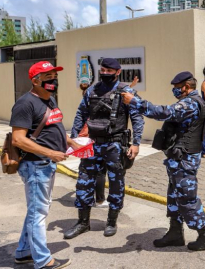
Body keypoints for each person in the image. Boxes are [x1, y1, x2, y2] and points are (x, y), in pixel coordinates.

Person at [121, 71, 205, 251]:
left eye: (176, 88)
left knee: (187, 198)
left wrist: (135, 102)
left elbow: (164, 112)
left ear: (186, 87)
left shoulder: (191, 103)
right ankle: (175, 232)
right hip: (178, 158)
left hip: (185, 159)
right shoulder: (191, 101)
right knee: (174, 195)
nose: (174, 91)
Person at [64, 58, 144, 239]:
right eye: (103, 70)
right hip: (92, 144)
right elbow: (81, 113)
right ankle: (83, 223)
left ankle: (111, 221)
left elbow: (137, 117)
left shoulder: (126, 91)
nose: (106, 73)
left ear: (118, 71)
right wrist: (75, 138)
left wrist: (136, 143)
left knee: (116, 183)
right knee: (84, 181)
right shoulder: (92, 90)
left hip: (115, 144)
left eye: (110, 70)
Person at [10, 61, 79, 269]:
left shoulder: (50, 100)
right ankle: (42, 260)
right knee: (38, 213)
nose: (52, 79)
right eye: (47, 76)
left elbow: (53, 125)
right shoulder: (25, 104)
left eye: (54, 75)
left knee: (36, 210)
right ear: (35, 80)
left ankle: (23, 252)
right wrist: (50, 152)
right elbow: (18, 140)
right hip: (36, 165)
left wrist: (70, 141)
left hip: (46, 164)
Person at [78, 83, 109, 208]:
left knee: (87, 170)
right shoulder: (96, 112)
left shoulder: (86, 109)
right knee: (101, 171)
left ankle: (89, 197)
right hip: (95, 141)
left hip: (87, 142)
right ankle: (100, 200)